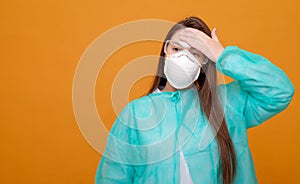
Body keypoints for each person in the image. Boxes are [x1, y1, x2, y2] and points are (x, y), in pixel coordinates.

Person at [95, 16, 294, 184]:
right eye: (176, 49)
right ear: (166, 49)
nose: (183, 58)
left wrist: (222, 55)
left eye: (195, 53)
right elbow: (112, 178)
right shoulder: (136, 114)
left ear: (204, 61)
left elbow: (279, 91)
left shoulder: (226, 104)